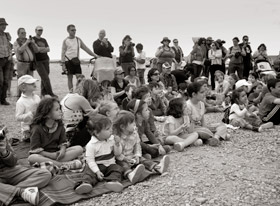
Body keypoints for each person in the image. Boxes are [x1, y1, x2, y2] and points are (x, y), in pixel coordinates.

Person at [113, 110, 170, 183]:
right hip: (122, 159)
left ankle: (158, 167)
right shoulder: (117, 138)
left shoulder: (134, 133)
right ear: (122, 127)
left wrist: (137, 155)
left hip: (132, 156)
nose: (135, 124)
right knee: (123, 165)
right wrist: (125, 158)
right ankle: (130, 174)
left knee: (143, 160)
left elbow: (137, 145)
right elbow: (117, 154)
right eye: (132, 123)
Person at [0, 127, 52, 205]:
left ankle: (7, 193)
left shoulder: (1, 136)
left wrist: (4, 152)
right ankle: (21, 193)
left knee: (45, 174)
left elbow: (13, 162)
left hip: (10, 170)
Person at [28, 98, 84, 169]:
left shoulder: (59, 125)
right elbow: (35, 150)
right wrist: (51, 155)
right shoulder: (37, 128)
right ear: (47, 114)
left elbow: (63, 142)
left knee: (79, 149)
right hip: (43, 155)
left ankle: (55, 164)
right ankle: (63, 165)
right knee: (32, 158)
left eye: (60, 109)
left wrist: (62, 151)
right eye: (57, 110)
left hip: (57, 154)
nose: (60, 111)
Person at [85, 114, 125, 193]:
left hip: (110, 165)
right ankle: (85, 184)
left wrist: (117, 144)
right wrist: (97, 171)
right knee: (89, 173)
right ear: (97, 133)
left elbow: (117, 154)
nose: (111, 130)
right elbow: (90, 160)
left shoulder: (111, 139)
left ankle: (113, 182)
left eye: (111, 128)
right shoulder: (91, 145)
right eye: (107, 129)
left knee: (118, 169)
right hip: (97, 166)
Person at [61, 79, 100, 147]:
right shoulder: (81, 99)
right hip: (72, 137)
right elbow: (95, 116)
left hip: (65, 135)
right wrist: (98, 106)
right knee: (99, 123)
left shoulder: (70, 96)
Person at [61, 24, 98, 92]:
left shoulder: (78, 40)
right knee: (70, 78)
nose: (74, 31)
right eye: (72, 30)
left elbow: (86, 48)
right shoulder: (65, 40)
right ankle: (71, 93)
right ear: (68, 31)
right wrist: (63, 64)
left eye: (75, 30)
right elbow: (63, 53)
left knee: (79, 77)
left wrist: (95, 55)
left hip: (76, 61)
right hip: (68, 61)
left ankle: (79, 91)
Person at [14, 28, 39, 96]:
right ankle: (19, 97)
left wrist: (33, 43)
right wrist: (26, 43)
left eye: (25, 33)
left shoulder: (29, 42)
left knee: (30, 81)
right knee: (21, 81)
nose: (24, 34)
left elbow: (37, 50)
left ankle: (29, 95)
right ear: (18, 34)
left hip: (30, 64)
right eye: (22, 33)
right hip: (21, 64)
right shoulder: (16, 42)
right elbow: (19, 51)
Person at [33, 26, 56, 97]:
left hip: (45, 59)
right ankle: (50, 93)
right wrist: (43, 49)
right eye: (39, 30)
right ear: (35, 30)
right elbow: (36, 50)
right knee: (45, 77)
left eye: (41, 30)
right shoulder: (33, 39)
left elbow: (48, 49)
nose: (40, 31)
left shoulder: (44, 40)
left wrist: (40, 49)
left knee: (44, 78)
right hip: (38, 61)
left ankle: (43, 94)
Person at [16, 75, 40, 142]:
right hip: (28, 128)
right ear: (23, 87)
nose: (34, 85)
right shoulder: (20, 102)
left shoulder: (37, 97)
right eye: (31, 84)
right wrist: (30, 114)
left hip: (39, 124)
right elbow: (18, 117)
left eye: (34, 83)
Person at [0, 18, 12, 105]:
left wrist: (10, 55)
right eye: (2, 25)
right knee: (0, 81)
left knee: (6, 81)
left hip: (7, 60)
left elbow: (9, 47)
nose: (4, 27)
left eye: (5, 25)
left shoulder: (7, 35)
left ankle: (3, 99)